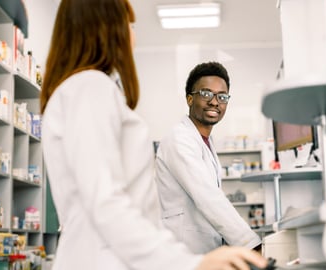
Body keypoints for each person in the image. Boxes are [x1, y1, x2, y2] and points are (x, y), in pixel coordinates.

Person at [40, 0, 267, 270]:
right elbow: (106, 203)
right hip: (102, 259)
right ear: (108, 29)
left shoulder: (82, 90)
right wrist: (189, 263)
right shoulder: (90, 88)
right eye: (130, 24)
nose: (133, 34)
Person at [154, 61, 262, 254]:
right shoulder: (180, 139)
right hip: (183, 251)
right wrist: (251, 244)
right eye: (206, 94)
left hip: (202, 249)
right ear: (189, 99)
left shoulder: (205, 141)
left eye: (222, 96)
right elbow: (208, 197)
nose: (214, 102)